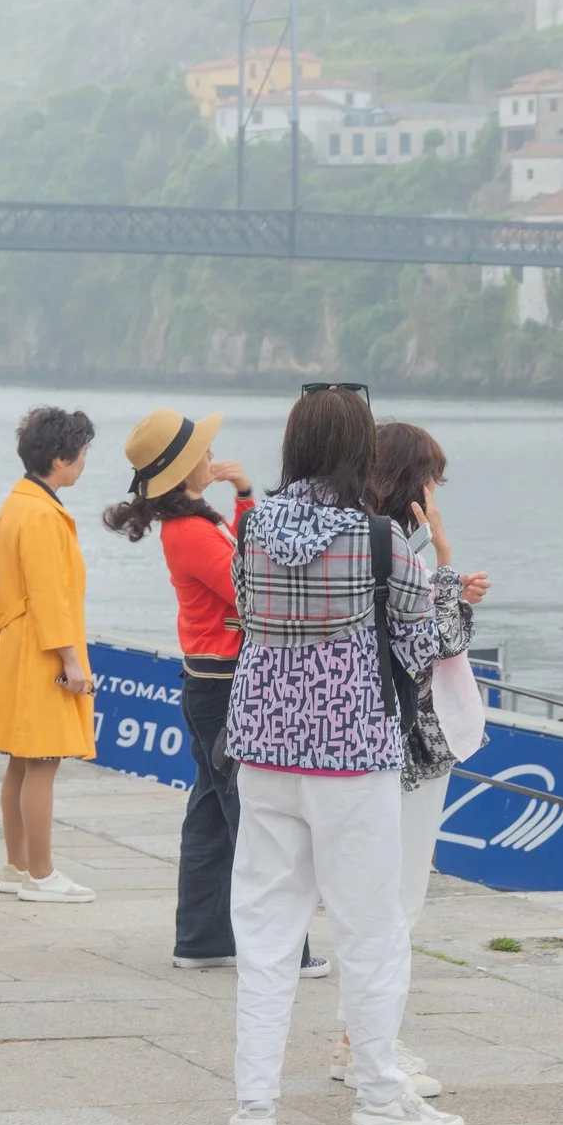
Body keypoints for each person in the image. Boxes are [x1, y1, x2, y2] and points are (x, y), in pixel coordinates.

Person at [221, 385, 466, 1125]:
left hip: (262, 749)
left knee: (264, 933)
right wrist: (443, 579)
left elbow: (245, 614)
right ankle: (379, 1096)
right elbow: (421, 650)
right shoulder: (380, 542)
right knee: (370, 930)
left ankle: (254, 1106)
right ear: (360, 449)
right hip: (353, 755)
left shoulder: (252, 527)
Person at [101, 408, 328, 978]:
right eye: (201, 453)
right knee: (252, 815)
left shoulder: (194, 525)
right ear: (182, 470)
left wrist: (247, 495)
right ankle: (284, 950)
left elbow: (244, 563)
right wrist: (249, 500)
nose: (211, 457)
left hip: (209, 684)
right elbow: (252, 586)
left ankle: (201, 939)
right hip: (225, 687)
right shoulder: (192, 531)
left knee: (210, 811)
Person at [334, 421, 491, 1086]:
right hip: (412, 744)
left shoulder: (354, 536)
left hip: (361, 739)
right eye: (433, 477)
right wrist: (448, 564)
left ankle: (357, 1040)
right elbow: (439, 640)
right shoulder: (403, 547)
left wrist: (449, 586)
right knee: (398, 900)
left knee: (368, 896)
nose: (437, 490)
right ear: (413, 482)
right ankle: (371, 1047)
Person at [0, 406, 100, 904]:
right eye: (83, 453)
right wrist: (71, 662)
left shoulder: (17, 504)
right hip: (40, 651)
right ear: (60, 459)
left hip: (15, 645)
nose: (85, 462)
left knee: (21, 764)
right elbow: (50, 596)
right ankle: (42, 875)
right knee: (43, 761)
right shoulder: (44, 516)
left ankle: (17, 865)